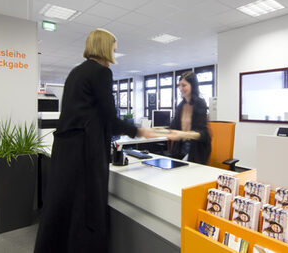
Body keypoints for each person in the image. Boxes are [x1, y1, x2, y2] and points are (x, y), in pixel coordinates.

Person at [34, 28, 155, 253]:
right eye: (113, 48)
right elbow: (109, 116)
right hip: (85, 152)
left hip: (65, 150)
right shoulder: (101, 72)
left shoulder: (75, 72)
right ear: (104, 47)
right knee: (86, 209)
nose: (115, 54)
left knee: (63, 206)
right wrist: (138, 131)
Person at [168, 71, 211, 164]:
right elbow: (172, 128)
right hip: (179, 149)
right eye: (179, 85)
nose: (180, 88)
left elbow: (203, 134)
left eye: (184, 85)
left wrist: (183, 134)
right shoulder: (180, 106)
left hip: (195, 150)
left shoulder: (200, 104)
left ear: (192, 86)